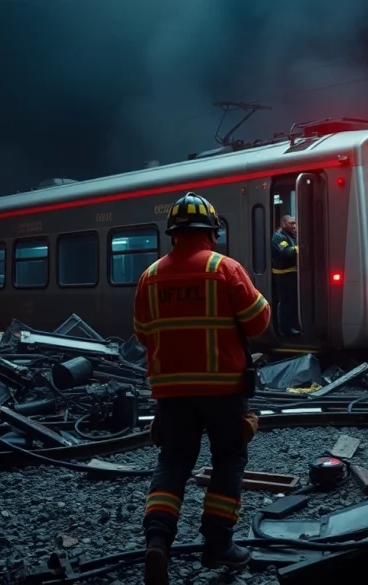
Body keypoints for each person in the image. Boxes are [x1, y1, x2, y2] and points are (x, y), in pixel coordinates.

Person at [134, 192, 271, 585]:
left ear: (172, 234)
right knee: (228, 460)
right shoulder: (224, 269)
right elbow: (259, 323)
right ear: (212, 231)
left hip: (171, 392)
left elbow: (143, 334)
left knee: (174, 462)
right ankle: (217, 545)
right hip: (223, 389)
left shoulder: (150, 276)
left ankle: (158, 541)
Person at [271, 215, 300, 336]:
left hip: (292, 274)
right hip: (283, 275)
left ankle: (293, 325)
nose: (294, 226)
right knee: (286, 303)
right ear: (283, 223)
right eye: (291, 223)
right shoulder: (279, 237)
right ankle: (285, 329)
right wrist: (300, 248)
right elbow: (287, 252)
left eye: (295, 223)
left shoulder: (291, 236)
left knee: (293, 301)